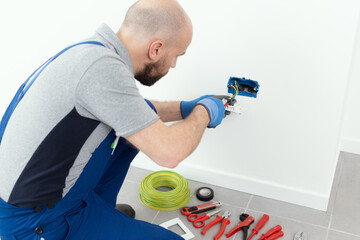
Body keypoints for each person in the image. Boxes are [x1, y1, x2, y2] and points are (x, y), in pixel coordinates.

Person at [0, 0, 227, 239]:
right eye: (176, 55)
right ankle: (86, 223)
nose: (173, 64)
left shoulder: (92, 51)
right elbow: (169, 153)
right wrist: (204, 111)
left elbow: (135, 110)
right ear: (156, 49)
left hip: (42, 193)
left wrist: (185, 108)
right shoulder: (102, 70)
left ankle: (102, 213)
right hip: (35, 221)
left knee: (129, 139)